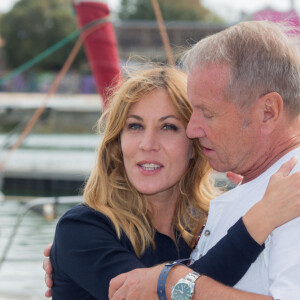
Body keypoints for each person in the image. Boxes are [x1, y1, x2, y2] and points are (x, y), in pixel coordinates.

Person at [45, 65, 300, 300]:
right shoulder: (81, 230)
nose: (147, 144)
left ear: (194, 145)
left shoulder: (209, 226)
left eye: (168, 127)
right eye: (134, 126)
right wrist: (261, 219)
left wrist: (248, 198)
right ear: (117, 143)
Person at [108, 21, 300, 300]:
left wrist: (174, 283)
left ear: (268, 112)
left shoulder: (292, 194)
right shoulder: (263, 185)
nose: (191, 129)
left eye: (207, 113)